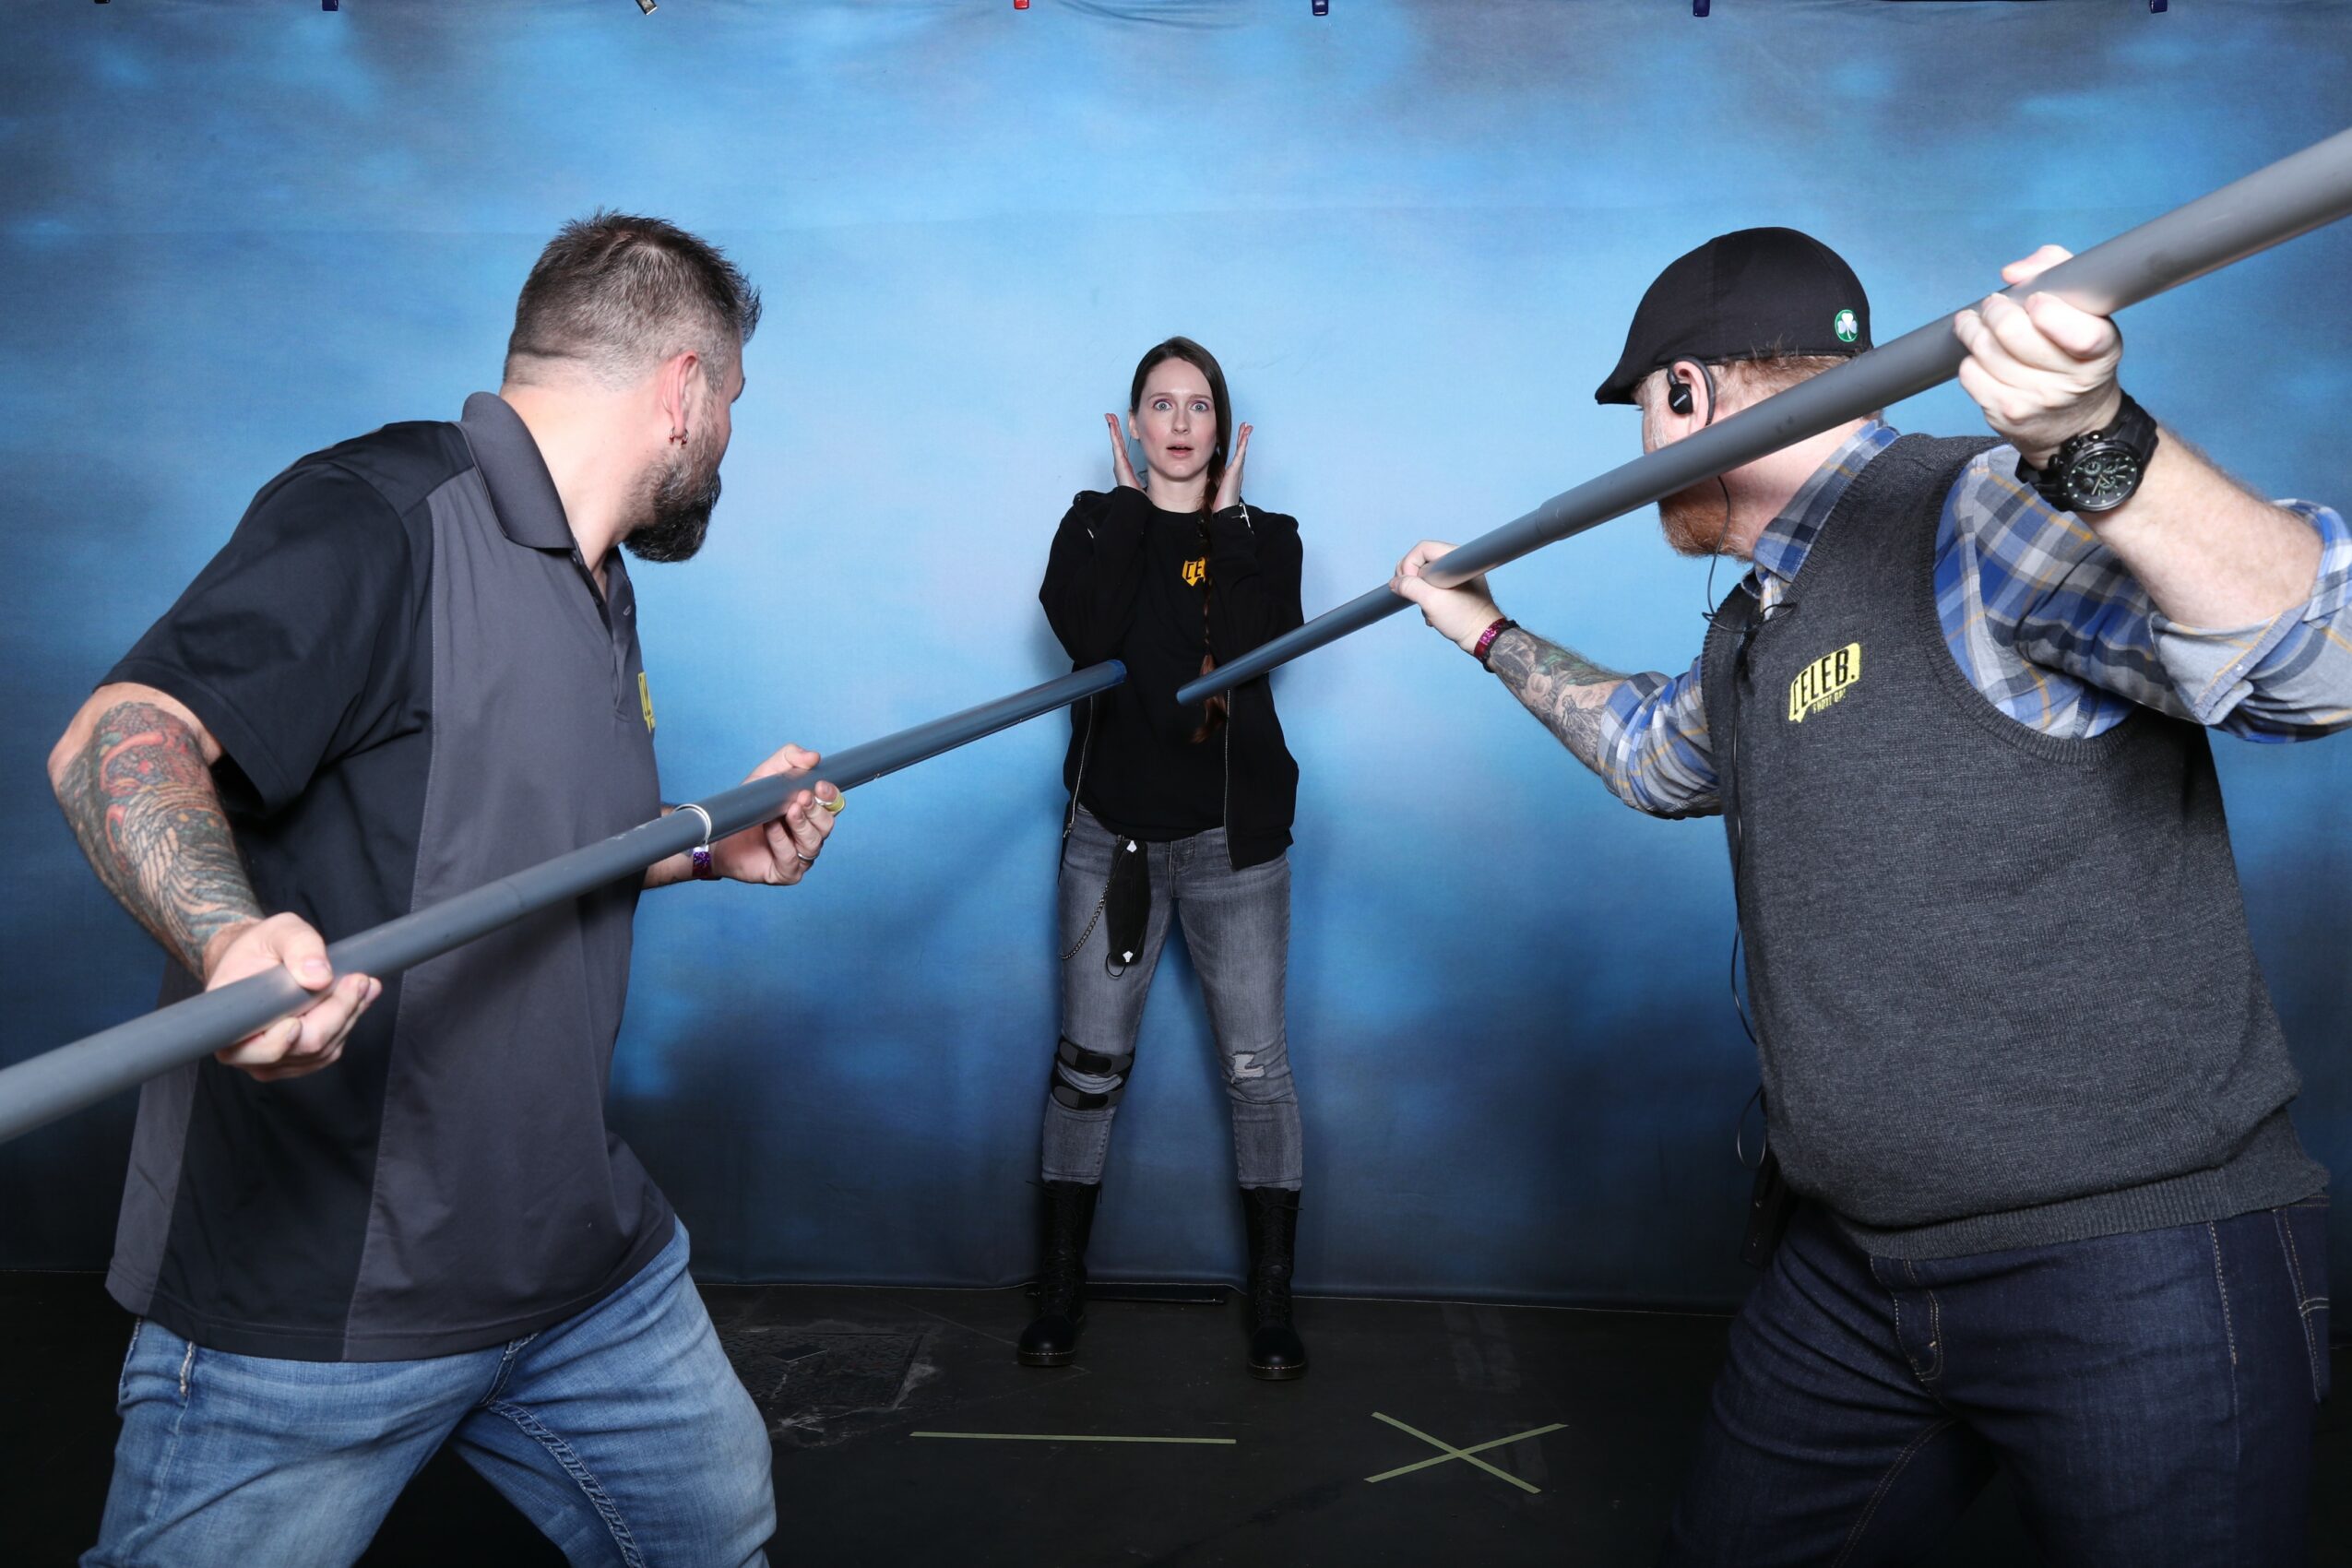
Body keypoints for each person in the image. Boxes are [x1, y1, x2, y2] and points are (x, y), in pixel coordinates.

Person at [1391, 228, 2346, 1564]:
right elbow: (1653, 756)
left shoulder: (1974, 512)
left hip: (2131, 1266)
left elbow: (2319, 669)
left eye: (1643, 409)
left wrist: (2097, 441)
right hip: (1855, 1270)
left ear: (1689, 394)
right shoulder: (1755, 622)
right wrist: (1486, 631)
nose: (1640, 453)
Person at [48, 213, 840, 1568]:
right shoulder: (379, 517)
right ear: (683, 391)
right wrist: (227, 939)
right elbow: (115, 738)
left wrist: (708, 845)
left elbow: (519, 832)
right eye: (732, 403)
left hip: (575, 1262)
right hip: (324, 1307)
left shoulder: (597, 578)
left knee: (718, 1538)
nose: (725, 439)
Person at [1028, 336, 1311, 1380]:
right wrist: (1130, 511)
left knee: (1258, 1072)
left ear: (1222, 426)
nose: (1181, 423)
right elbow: (1087, 634)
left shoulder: (1267, 538)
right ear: (1135, 423)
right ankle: (1058, 1288)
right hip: (1113, 843)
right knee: (1087, 1068)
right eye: (1161, 403)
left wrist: (1222, 523)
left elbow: (1255, 649)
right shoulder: (1093, 524)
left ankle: (1272, 1304)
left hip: (1236, 849)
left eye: (1199, 405)